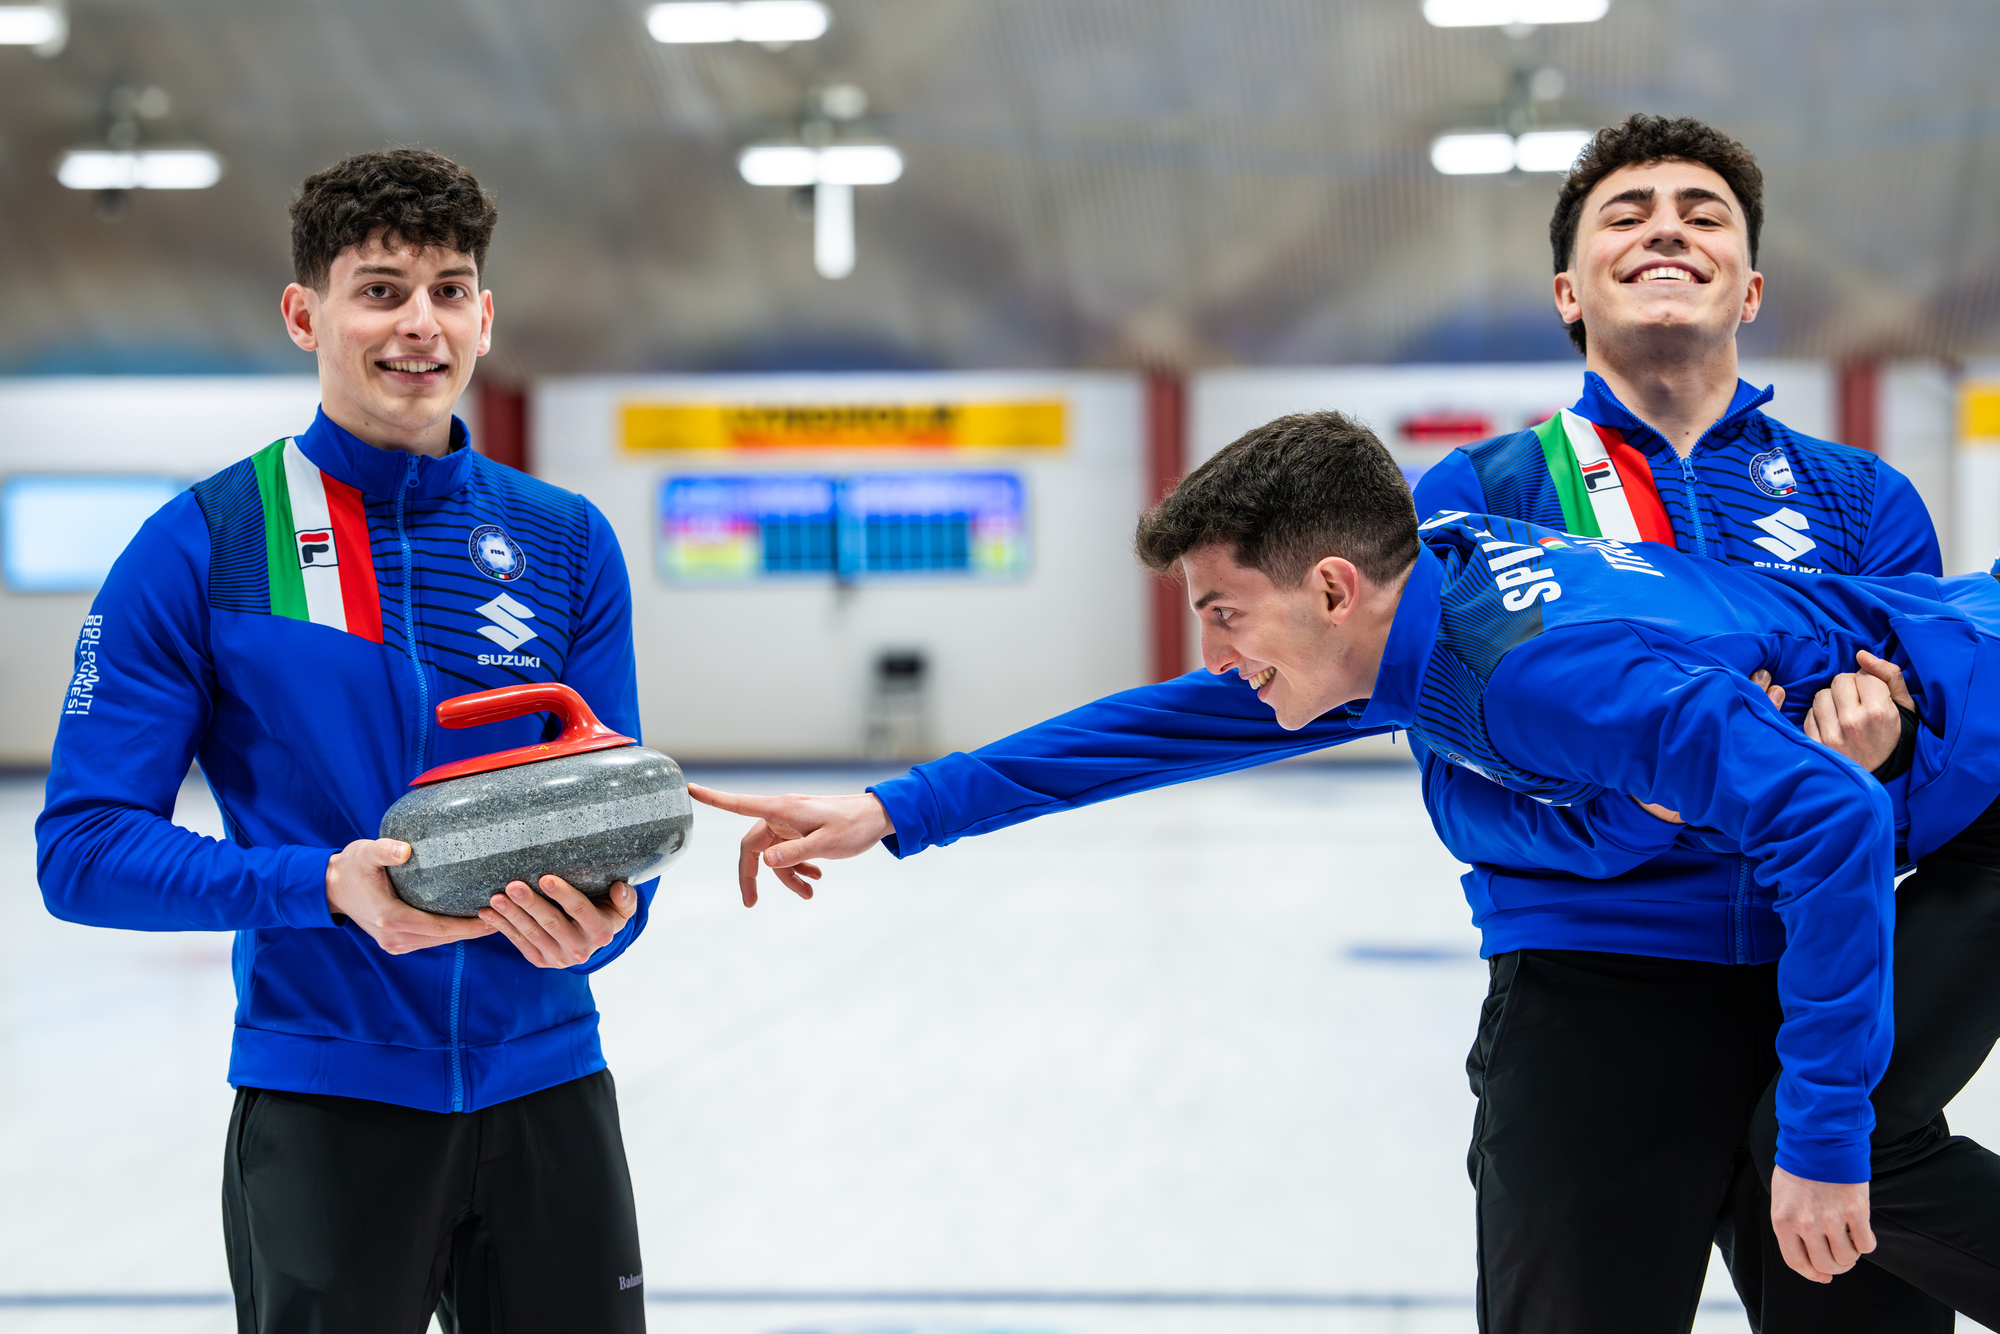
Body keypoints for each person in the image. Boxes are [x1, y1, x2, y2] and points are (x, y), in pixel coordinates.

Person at [703, 115, 1959, 1332]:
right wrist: (901, 805)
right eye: (1623, 214)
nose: (1665, 229)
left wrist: (1884, 746)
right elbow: (1433, 781)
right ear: (1566, 291)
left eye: (1703, 214)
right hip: (1589, 1001)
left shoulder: (1862, 500)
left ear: (1751, 287)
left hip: (1830, 986)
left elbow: (1925, 761)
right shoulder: (1484, 496)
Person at [37, 149, 651, 1333]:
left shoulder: (565, 539)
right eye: (379, 290)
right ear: (302, 313)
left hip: (549, 1088)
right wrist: (322, 885)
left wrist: (610, 922)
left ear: (483, 317)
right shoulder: (205, 544)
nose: (419, 323)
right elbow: (85, 850)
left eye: (448, 290)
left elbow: (614, 812)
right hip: (328, 1101)